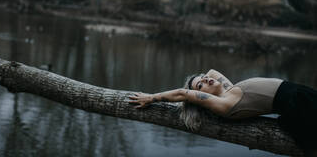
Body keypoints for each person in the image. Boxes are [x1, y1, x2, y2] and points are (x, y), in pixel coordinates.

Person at [128, 69, 317, 156]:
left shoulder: (228, 89)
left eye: (203, 78)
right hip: (298, 103)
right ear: (198, 97)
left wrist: (202, 79)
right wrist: (151, 98)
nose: (207, 79)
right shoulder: (224, 103)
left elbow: (213, 72)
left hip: (299, 95)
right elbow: (182, 93)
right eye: (200, 85)